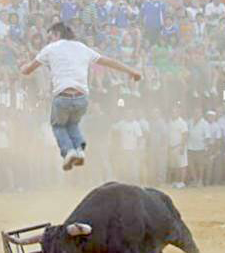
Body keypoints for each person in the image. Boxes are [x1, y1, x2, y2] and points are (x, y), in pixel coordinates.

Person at [21, 22, 141, 170]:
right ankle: (80, 151)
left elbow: (28, 70)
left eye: (51, 36)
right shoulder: (82, 48)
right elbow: (109, 62)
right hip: (81, 98)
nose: (49, 39)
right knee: (72, 124)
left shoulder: (50, 49)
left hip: (63, 95)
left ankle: (69, 151)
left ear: (58, 34)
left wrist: (23, 67)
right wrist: (131, 71)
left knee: (58, 126)